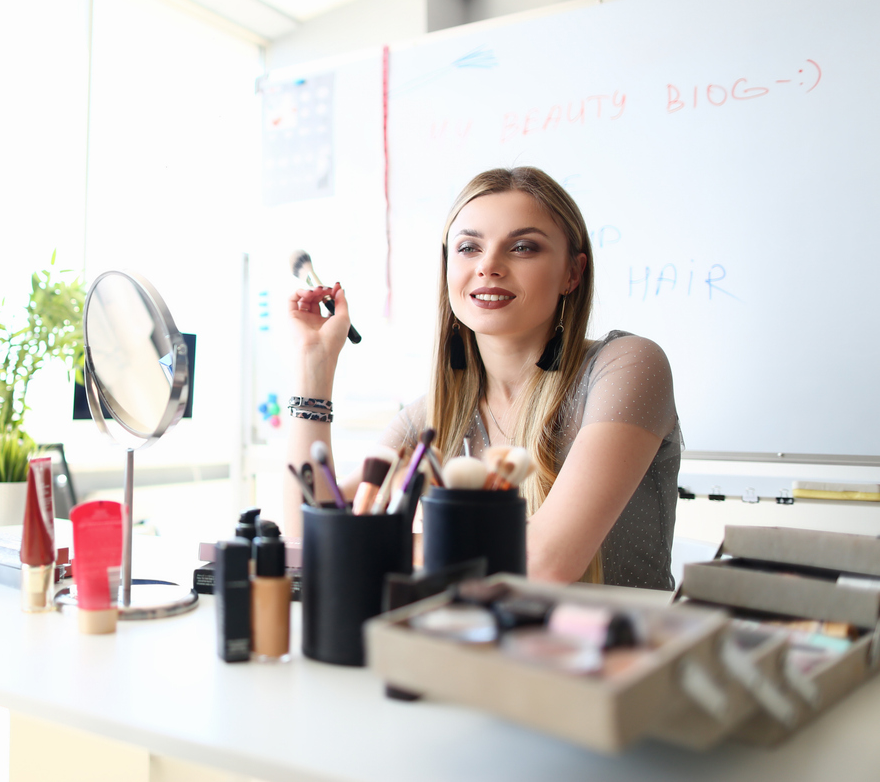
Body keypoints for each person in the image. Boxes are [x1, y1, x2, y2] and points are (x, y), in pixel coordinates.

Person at [283, 167, 680, 589]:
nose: (488, 266)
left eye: (523, 247)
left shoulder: (627, 367)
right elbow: (303, 539)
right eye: (469, 247)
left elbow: (543, 563)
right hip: (479, 649)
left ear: (572, 273)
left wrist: (367, 544)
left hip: (622, 649)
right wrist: (315, 366)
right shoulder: (431, 417)